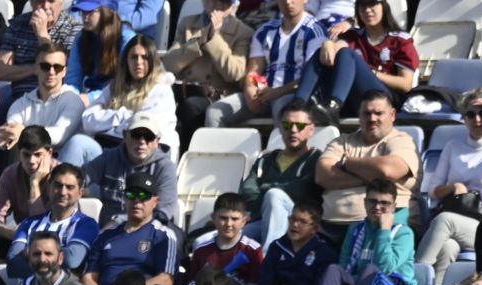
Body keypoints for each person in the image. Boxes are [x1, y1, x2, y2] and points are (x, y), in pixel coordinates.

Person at [415, 93, 482, 277]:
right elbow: (433, 191)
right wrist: (453, 187)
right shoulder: (452, 147)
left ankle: (412, 278)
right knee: (448, 247)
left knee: (444, 220)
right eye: (471, 114)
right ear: (464, 119)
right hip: (455, 220)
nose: (477, 119)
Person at [306, 177, 417, 285]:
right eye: (372, 201)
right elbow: (345, 267)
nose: (377, 207)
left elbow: (385, 268)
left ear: (394, 207)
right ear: (365, 203)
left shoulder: (404, 233)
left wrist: (384, 230)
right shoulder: (355, 230)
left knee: (372, 270)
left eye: (384, 203)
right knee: (334, 269)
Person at [313, 91, 419, 240]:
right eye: (366, 113)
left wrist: (345, 162)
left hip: (380, 228)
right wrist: (374, 180)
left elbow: (389, 171)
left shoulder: (401, 140)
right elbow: (322, 175)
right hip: (330, 228)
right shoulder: (342, 141)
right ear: (359, 115)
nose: (372, 119)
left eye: (378, 113)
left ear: (392, 115)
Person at [295, 0, 415, 123]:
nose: (367, 10)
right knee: (323, 52)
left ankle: (333, 106)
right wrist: (328, 43)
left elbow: (406, 85)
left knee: (347, 53)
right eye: (363, 5)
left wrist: (373, 73)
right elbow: (334, 51)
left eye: (372, 4)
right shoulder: (353, 36)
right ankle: (297, 106)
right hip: (353, 99)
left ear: (384, 6)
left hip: (382, 99)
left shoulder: (400, 40)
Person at [67, 37, 176, 168]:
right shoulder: (115, 86)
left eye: (144, 57)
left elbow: (142, 130)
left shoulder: (162, 90)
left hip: (143, 157)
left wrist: (105, 125)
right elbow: (88, 120)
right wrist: (123, 115)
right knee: (77, 143)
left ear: (152, 60)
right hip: (110, 147)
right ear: (126, 61)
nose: (139, 62)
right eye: (134, 57)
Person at [82, 171, 179, 285]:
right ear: (124, 199)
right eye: (131, 195)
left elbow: (166, 279)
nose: (137, 201)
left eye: (144, 195)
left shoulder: (163, 235)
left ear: (155, 201)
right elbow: (89, 277)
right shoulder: (106, 234)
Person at [164, 0, 252, 149]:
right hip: (184, 90)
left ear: (233, 7)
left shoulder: (243, 32)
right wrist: (198, 43)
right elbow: (169, 63)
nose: (218, 4)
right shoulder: (188, 23)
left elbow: (235, 73)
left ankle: (189, 155)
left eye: (225, 3)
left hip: (215, 95)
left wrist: (213, 39)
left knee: (191, 107)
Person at [237, 100, 322, 252]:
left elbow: (301, 191)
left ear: (311, 130)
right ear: (281, 128)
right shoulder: (265, 159)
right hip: (261, 221)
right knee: (208, 241)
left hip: (298, 223)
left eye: (300, 125)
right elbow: (247, 192)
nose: (293, 130)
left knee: (274, 195)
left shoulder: (317, 159)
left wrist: (265, 188)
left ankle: (268, 258)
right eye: (287, 125)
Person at [80, 112, 179, 229]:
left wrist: (120, 223)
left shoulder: (165, 167)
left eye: (148, 137)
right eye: (137, 135)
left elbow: (162, 213)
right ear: (125, 135)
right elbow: (78, 179)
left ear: (157, 141)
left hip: (149, 229)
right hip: (108, 231)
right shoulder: (109, 157)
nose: (142, 141)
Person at [250, 202, 335, 285]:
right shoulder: (276, 247)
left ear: (314, 228)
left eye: (302, 222)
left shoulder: (324, 252)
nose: (295, 225)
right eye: (293, 219)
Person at [239, 0, 330, 121]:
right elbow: (253, 70)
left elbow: (310, 78)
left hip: (294, 95)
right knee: (216, 111)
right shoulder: (264, 31)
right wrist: (250, 89)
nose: (288, 2)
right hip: (263, 95)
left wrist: (277, 92)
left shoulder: (315, 31)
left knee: (282, 109)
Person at [8, 163, 100, 282]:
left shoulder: (86, 224)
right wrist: (58, 259)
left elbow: (73, 260)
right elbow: (13, 264)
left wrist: (29, 252)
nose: (62, 192)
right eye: (58, 185)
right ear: (48, 188)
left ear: (80, 193)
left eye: (70, 187)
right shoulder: (29, 223)